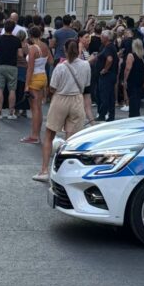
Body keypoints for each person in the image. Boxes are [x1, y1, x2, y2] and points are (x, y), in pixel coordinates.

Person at [33, 39, 90, 182]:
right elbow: (86, 85)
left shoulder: (60, 67)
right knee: (71, 140)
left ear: (65, 50)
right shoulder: (86, 65)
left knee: (49, 135)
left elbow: (53, 87)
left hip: (60, 99)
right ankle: (67, 172)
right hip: (77, 99)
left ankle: (44, 170)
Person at [22, 25, 52, 143]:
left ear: (30, 35)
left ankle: (34, 136)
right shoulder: (45, 46)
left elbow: (30, 68)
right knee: (38, 108)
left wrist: (26, 85)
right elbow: (50, 61)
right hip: (43, 76)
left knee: (34, 109)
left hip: (34, 78)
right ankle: (37, 135)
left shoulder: (33, 49)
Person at [0, 20, 21, 120]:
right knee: (12, 90)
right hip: (12, 66)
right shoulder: (17, 40)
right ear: (13, 28)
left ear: (4, 27)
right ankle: (11, 112)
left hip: (0, 65)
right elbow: (20, 54)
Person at [94, 30, 119, 122]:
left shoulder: (108, 47)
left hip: (107, 76)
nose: (100, 38)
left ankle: (102, 114)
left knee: (104, 95)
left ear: (106, 38)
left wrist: (105, 69)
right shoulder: (110, 46)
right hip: (111, 75)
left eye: (102, 36)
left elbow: (109, 59)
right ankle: (111, 115)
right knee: (110, 96)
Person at [123, 37, 144, 117]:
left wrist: (125, 80)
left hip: (132, 80)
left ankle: (133, 115)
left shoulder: (131, 55)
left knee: (132, 99)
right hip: (140, 80)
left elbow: (128, 68)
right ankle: (136, 114)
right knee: (137, 99)